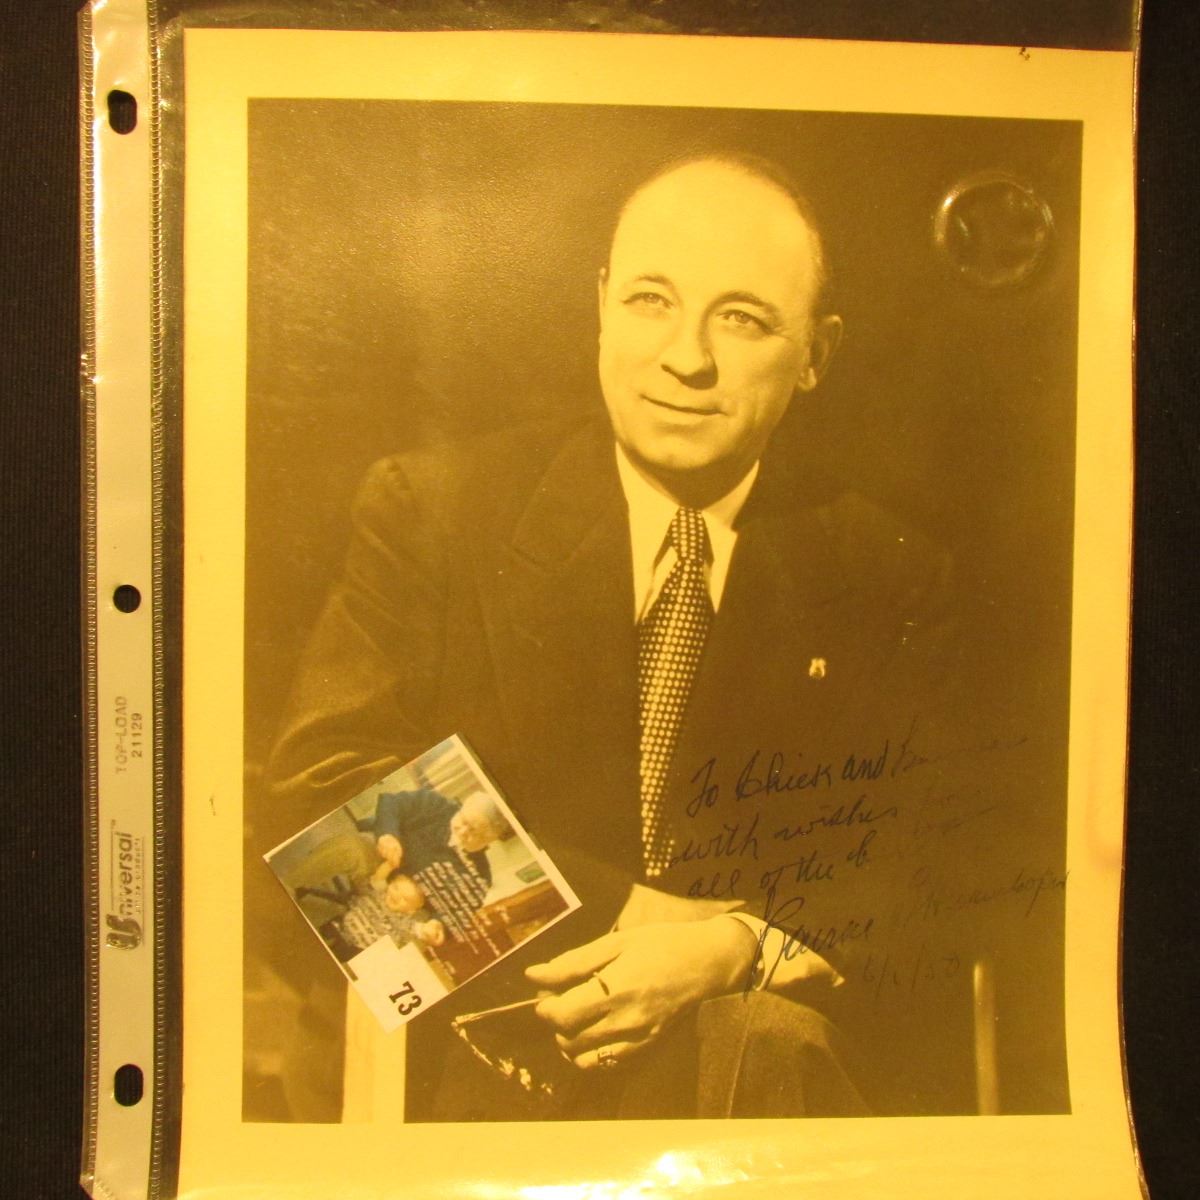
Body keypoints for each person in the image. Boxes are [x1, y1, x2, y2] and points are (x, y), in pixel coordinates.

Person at [267, 153, 1002, 1119]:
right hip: (449, 1075)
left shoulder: (890, 570)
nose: (686, 357)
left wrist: (734, 950)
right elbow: (326, 814)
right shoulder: (436, 511)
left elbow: (950, 862)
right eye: (653, 299)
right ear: (602, 305)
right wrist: (636, 921)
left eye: (742, 318)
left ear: (817, 353)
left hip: (749, 1099)